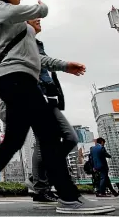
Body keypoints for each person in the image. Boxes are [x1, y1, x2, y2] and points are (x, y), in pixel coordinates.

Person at [0, 0, 115, 214]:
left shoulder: (19, 26)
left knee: (13, 141)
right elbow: (21, 13)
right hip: (14, 79)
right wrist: (40, 8)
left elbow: (36, 57)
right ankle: (68, 197)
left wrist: (65, 65)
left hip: (21, 79)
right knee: (49, 134)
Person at [19, 18, 79, 204]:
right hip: (36, 95)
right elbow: (37, 62)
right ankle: (40, 186)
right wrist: (64, 65)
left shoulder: (37, 42)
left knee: (68, 139)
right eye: (34, 17)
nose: (39, 20)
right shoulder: (23, 40)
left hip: (48, 97)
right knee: (47, 140)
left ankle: (39, 178)